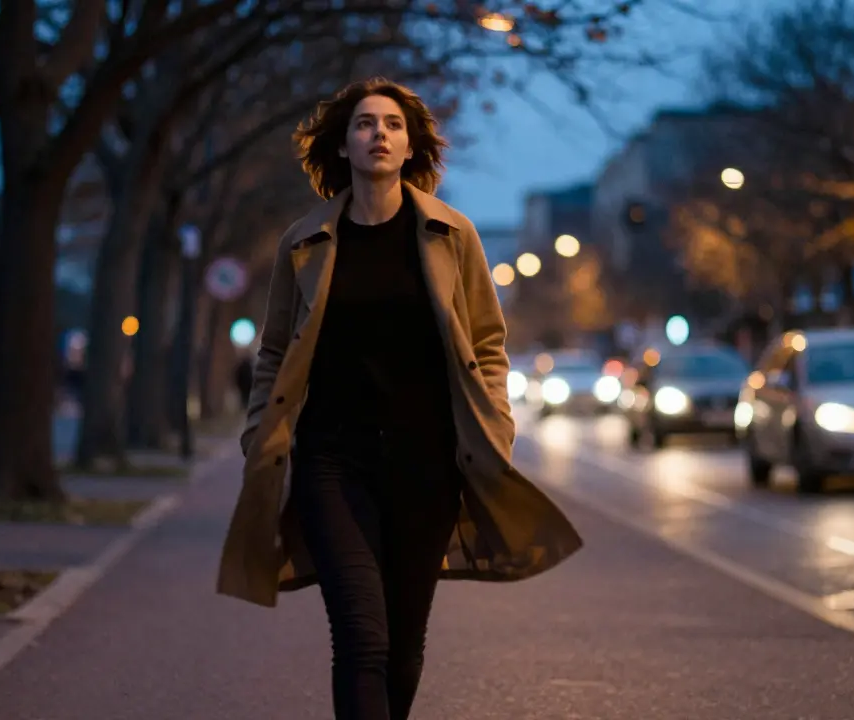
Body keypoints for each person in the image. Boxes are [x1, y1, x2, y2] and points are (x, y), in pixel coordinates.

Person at [216, 77, 584, 719]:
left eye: (391, 124)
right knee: (362, 635)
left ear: (411, 146)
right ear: (343, 145)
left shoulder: (452, 234)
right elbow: (273, 349)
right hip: (333, 461)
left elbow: (489, 342)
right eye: (363, 123)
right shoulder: (304, 243)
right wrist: (259, 434)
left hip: (428, 463)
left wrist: (494, 426)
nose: (377, 134)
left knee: (404, 645)